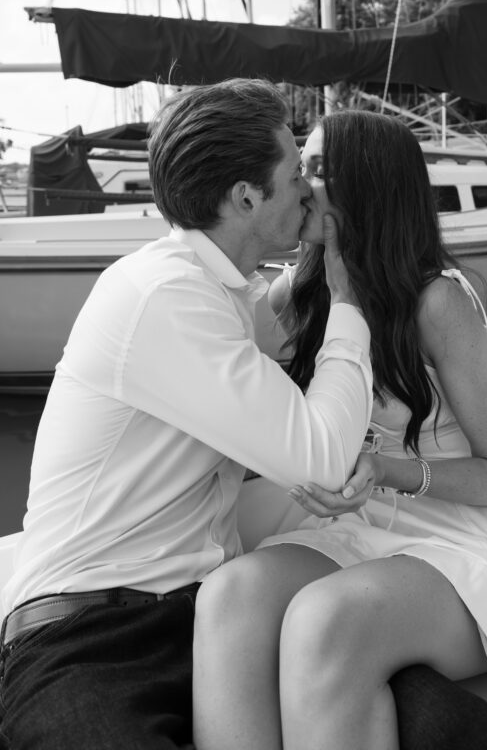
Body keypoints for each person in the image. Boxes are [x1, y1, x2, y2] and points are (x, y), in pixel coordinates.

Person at [192, 109, 487, 750]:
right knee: (229, 596)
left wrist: (387, 470)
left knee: (326, 621)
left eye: (318, 170)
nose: (299, 184)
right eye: (300, 168)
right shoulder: (293, 297)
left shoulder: (439, 302)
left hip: (464, 542)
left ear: (369, 187)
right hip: (351, 528)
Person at [0, 79, 375, 749]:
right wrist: (349, 295)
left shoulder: (217, 290)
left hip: (215, 617)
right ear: (245, 197)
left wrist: (329, 243)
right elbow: (320, 454)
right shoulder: (165, 296)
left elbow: (282, 325)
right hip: (88, 637)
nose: (307, 190)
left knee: (449, 726)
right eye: (296, 174)